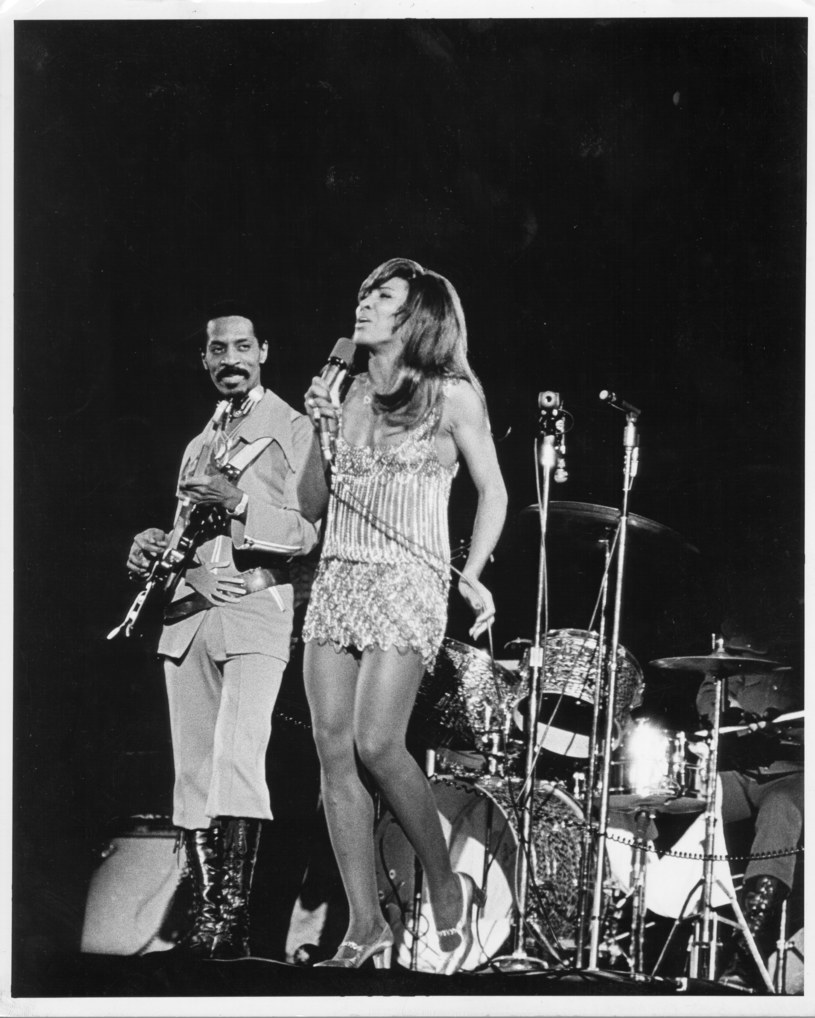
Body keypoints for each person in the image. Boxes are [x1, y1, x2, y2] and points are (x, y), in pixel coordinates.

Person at [300, 257, 508, 974]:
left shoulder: (452, 397)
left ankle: (444, 881)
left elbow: (494, 490)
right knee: (332, 750)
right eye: (361, 293)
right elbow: (310, 504)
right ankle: (363, 924)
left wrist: (473, 572)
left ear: (413, 315)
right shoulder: (346, 391)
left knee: (377, 743)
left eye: (379, 296)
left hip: (408, 579)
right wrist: (319, 427)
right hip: (337, 577)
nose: (362, 305)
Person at [125, 303, 328, 959]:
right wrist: (152, 542)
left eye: (243, 347)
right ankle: (205, 922)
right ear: (205, 359)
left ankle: (230, 922)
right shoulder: (198, 442)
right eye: (219, 350)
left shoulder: (293, 429)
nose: (231, 360)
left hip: (254, 607)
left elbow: (305, 532)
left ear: (263, 351)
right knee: (192, 774)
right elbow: (186, 530)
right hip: (187, 612)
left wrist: (238, 502)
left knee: (240, 762)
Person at [695, 637, 803, 992]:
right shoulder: (742, 636)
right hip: (740, 768)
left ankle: (747, 957)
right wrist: (732, 715)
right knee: (690, 800)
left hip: (796, 773)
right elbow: (711, 690)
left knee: (781, 810)